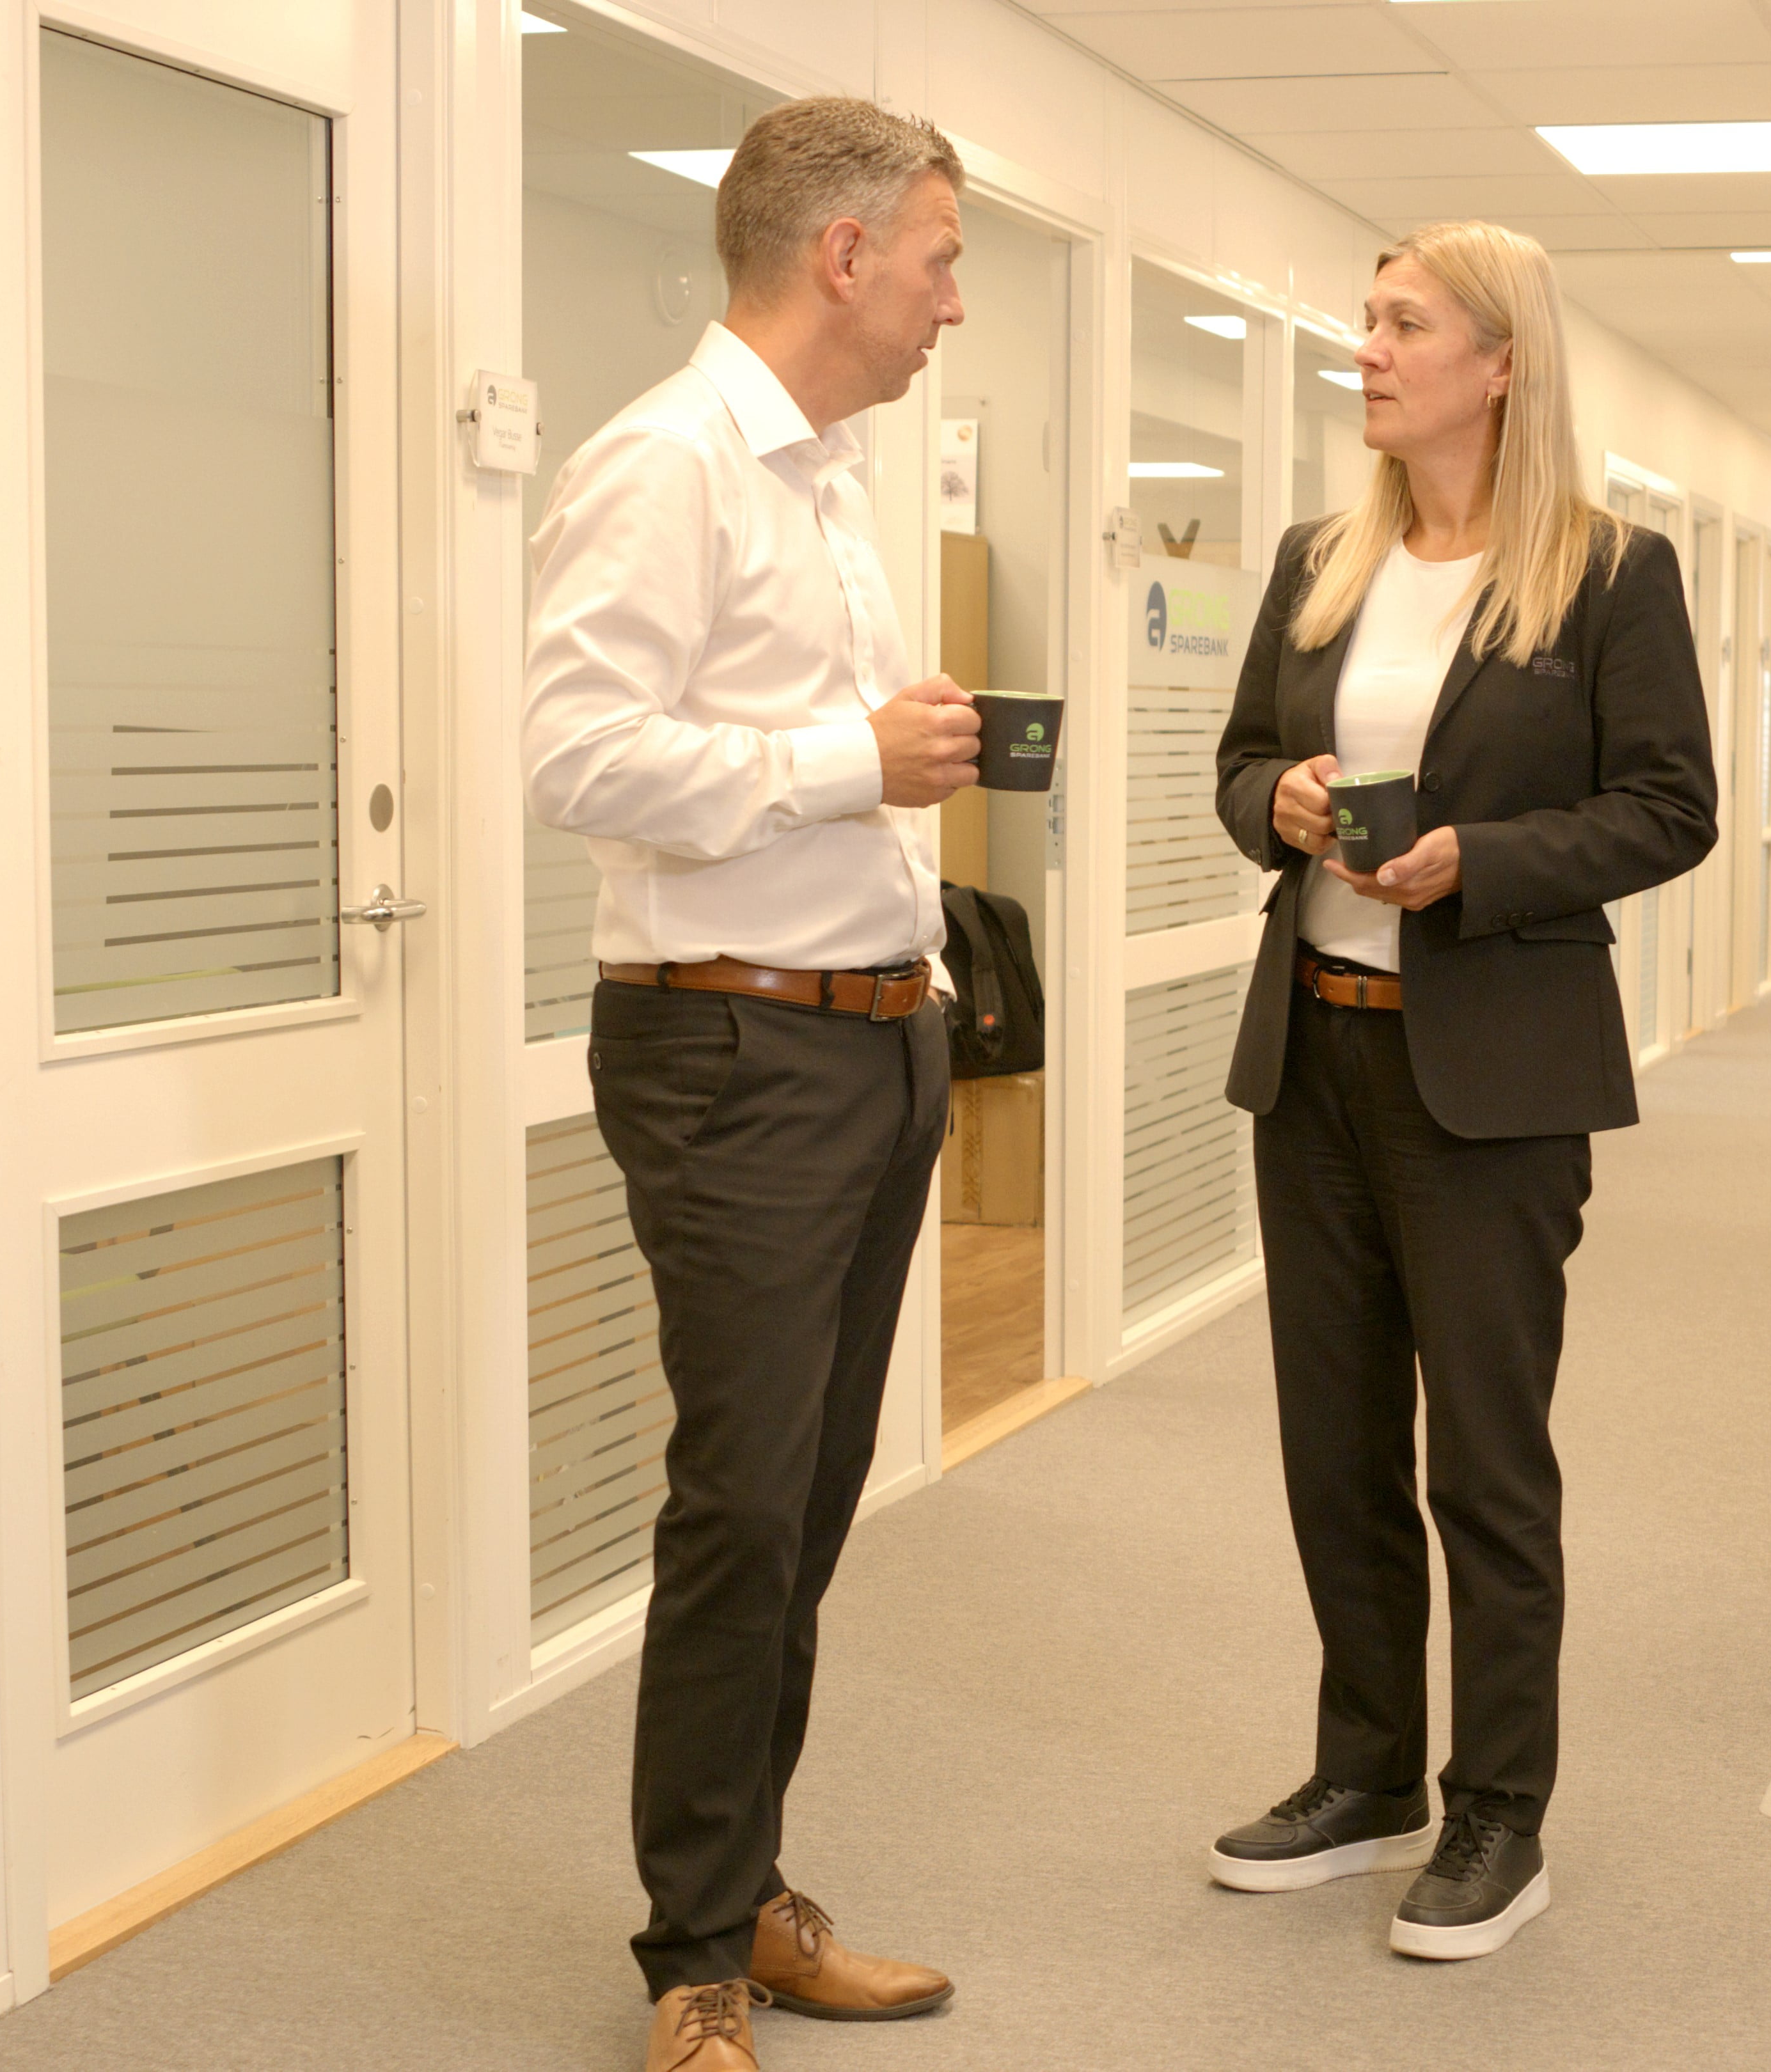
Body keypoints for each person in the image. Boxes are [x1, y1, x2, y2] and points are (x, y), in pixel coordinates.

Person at [521, 97, 982, 2072]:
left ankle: (751, 1891)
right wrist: (845, 761)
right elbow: (576, 756)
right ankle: (694, 1958)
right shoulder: (668, 463)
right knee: (741, 1509)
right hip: (736, 1051)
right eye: (940, 261)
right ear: (843, 253)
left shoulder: (828, 475)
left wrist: (881, 776)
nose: (952, 302)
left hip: (873, 1039)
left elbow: (794, 745)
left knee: (802, 1503)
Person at [1206, 221, 1718, 1961]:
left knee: (1483, 1461)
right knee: (1333, 1446)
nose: (1367, 349)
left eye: (1403, 324)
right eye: (1367, 321)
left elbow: (1668, 806)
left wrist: (1477, 862)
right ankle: (1366, 1775)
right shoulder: (1318, 560)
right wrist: (1279, 802)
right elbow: (1240, 762)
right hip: (1315, 1054)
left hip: (1491, 1079)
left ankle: (1501, 1808)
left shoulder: (1607, 574)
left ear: (1500, 364)